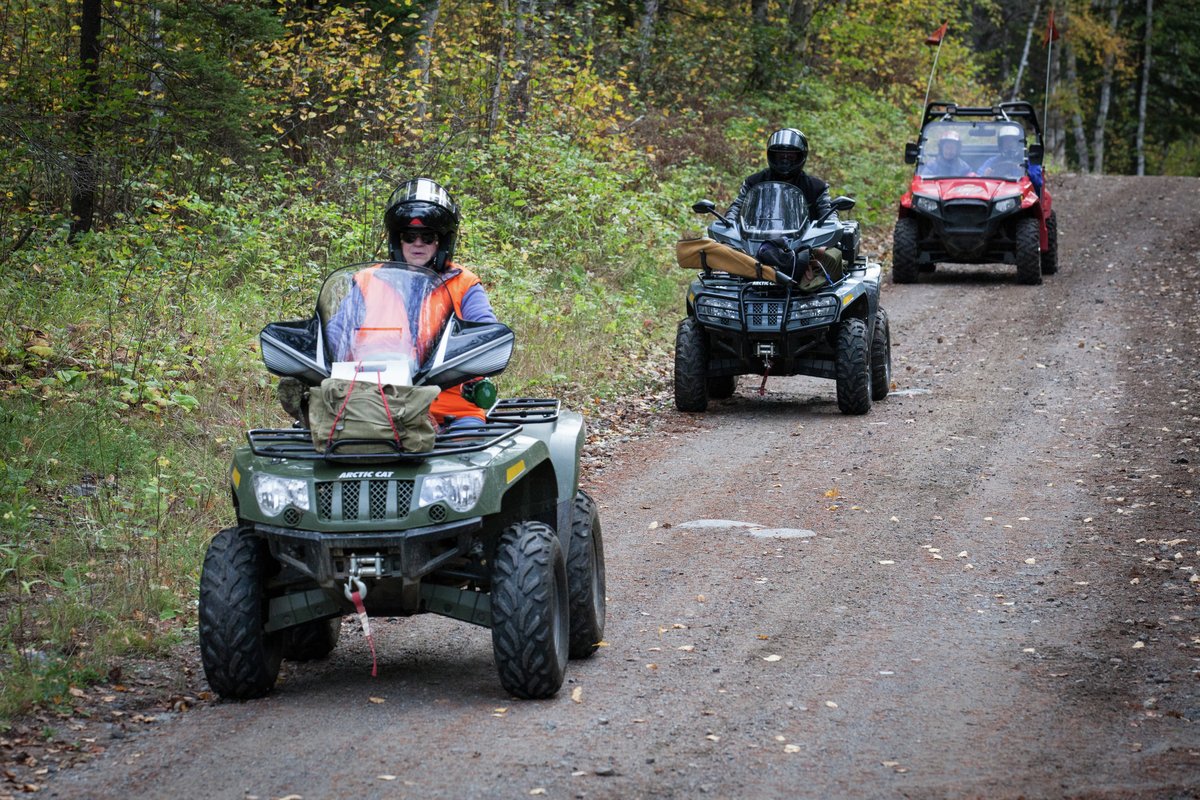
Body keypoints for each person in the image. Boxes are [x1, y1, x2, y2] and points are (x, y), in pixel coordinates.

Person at [325, 177, 499, 430]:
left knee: (470, 452)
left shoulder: (465, 284)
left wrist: (468, 360)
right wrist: (315, 354)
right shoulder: (366, 281)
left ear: (441, 242)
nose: (418, 243)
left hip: (449, 409)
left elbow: (487, 335)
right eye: (409, 236)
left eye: (427, 237)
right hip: (373, 406)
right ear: (398, 240)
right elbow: (334, 335)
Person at [726, 128, 842, 291]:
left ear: (801, 157)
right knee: (723, 261)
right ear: (771, 156)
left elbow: (829, 214)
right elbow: (737, 207)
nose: (785, 161)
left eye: (790, 156)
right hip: (756, 244)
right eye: (780, 156)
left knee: (829, 260)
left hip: (804, 246)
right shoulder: (753, 182)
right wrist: (729, 224)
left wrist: (826, 232)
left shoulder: (817, 187)